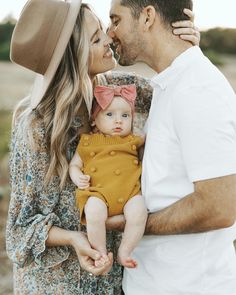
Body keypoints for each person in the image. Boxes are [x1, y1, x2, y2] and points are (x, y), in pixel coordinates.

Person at [6, 0, 199, 293]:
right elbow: (19, 231)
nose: (109, 38)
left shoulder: (118, 88)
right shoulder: (35, 126)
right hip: (55, 286)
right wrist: (74, 238)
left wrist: (186, 50)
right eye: (96, 39)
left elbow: (178, 88)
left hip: (111, 280)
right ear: (73, 57)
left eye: (103, 31)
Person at [107, 1, 236, 295]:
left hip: (186, 286)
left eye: (116, 20)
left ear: (148, 16)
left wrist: (132, 225)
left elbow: (219, 207)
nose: (110, 32)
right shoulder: (169, 84)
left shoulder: (197, 89)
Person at [69, 84, 147, 269]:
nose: (118, 121)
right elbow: (74, 164)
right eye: (110, 115)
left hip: (129, 193)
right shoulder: (88, 141)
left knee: (139, 212)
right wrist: (77, 176)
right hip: (98, 193)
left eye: (125, 115)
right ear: (95, 119)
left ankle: (125, 250)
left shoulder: (134, 139)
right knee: (94, 212)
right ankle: (100, 252)